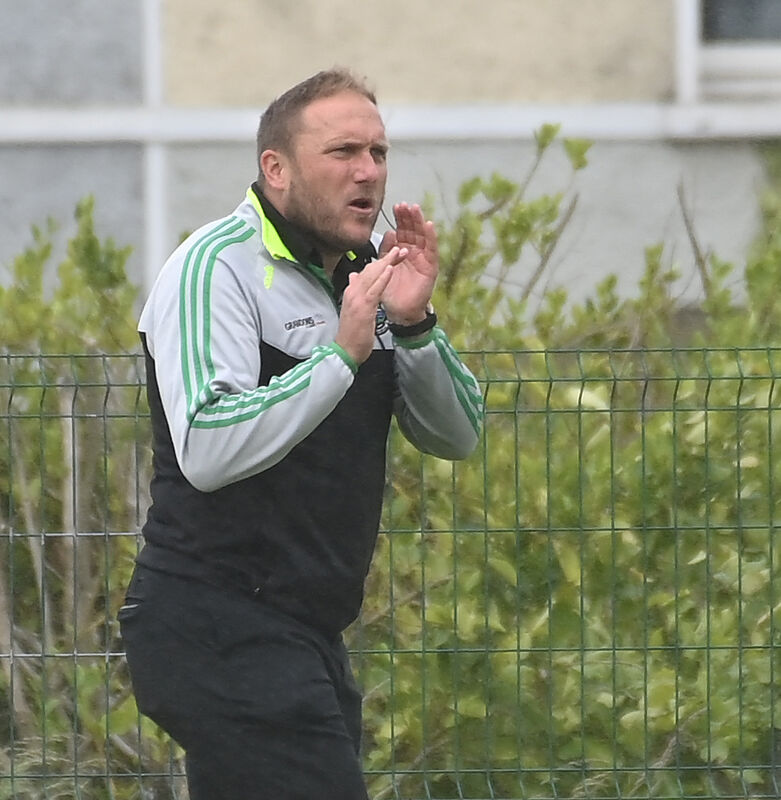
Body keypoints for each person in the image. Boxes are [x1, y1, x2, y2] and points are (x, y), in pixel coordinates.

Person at [119, 67, 483, 800]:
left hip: (306, 632)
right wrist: (338, 356)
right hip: (210, 620)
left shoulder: (373, 279)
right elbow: (210, 448)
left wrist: (412, 323)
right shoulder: (214, 267)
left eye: (378, 153)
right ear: (275, 169)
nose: (368, 173)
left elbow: (456, 436)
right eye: (343, 152)